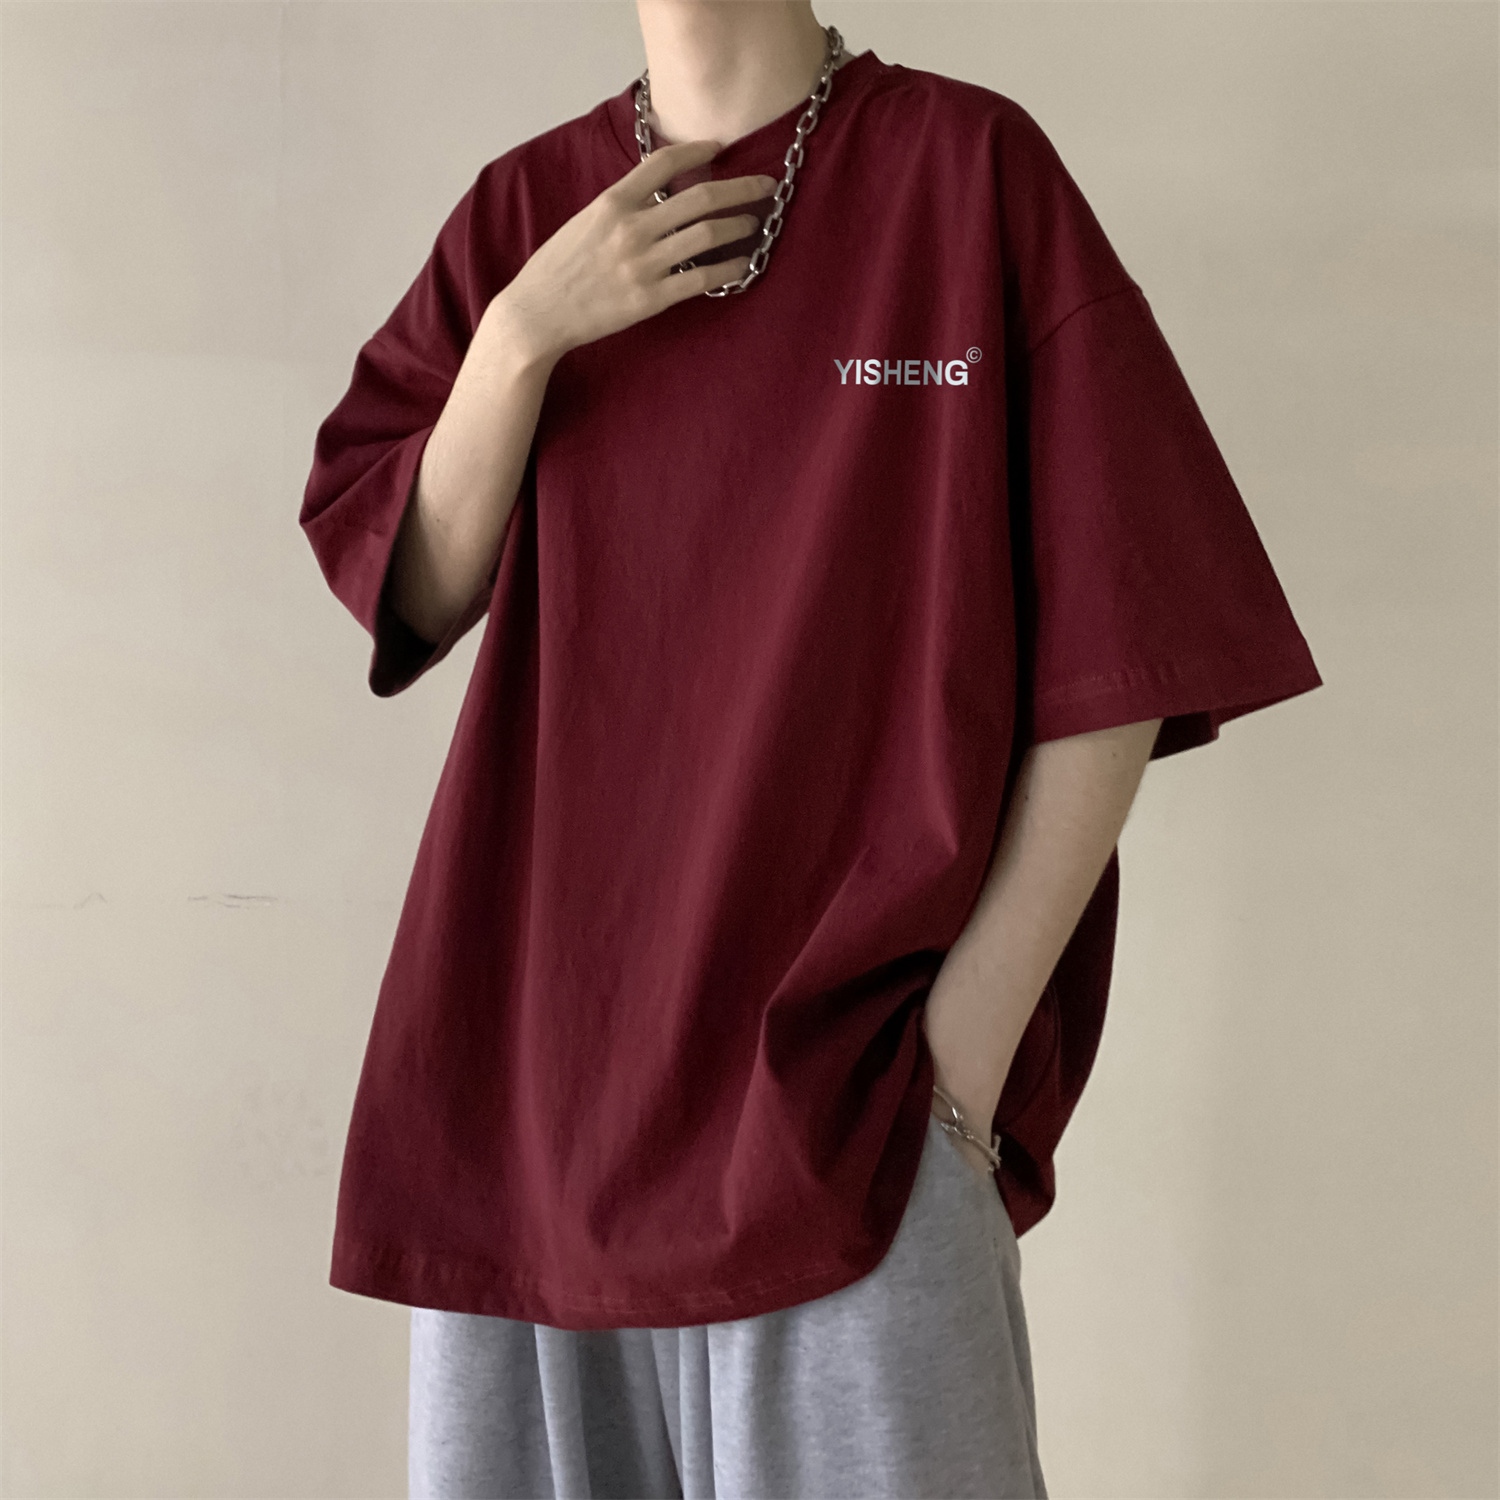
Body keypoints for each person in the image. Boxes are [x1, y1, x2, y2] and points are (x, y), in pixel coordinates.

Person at [298, 3, 1324, 1495]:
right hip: (526, 1126)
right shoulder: (525, 214)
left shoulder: (967, 173)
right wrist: (522, 335)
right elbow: (414, 581)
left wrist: (957, 1070)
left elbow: (1127, 645)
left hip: (849, 1123)